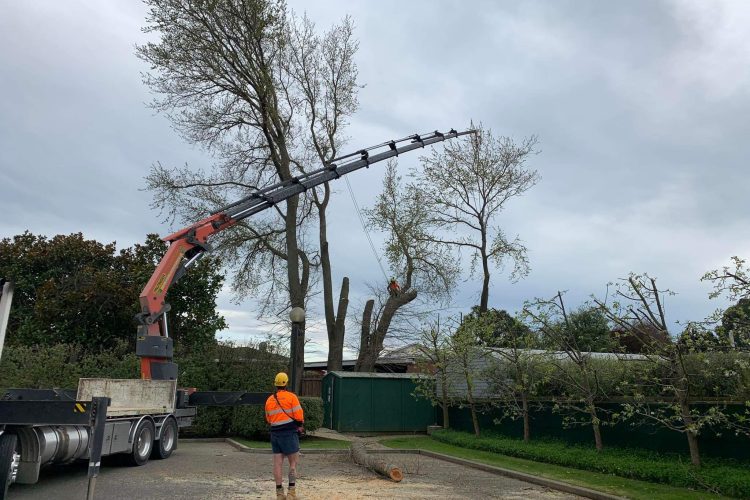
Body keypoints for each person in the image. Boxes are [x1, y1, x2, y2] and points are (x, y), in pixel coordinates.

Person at [265, 372, 305, 500]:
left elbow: (268, 419)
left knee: (277, 464)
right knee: (293, 463)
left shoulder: (270, 399)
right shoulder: (292, 397)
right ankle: (291, 493)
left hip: (275, 434)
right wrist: (299, 425)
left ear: (276, 384)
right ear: (286, 383)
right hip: (289, 433)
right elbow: (299, 416)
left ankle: (279, 494)